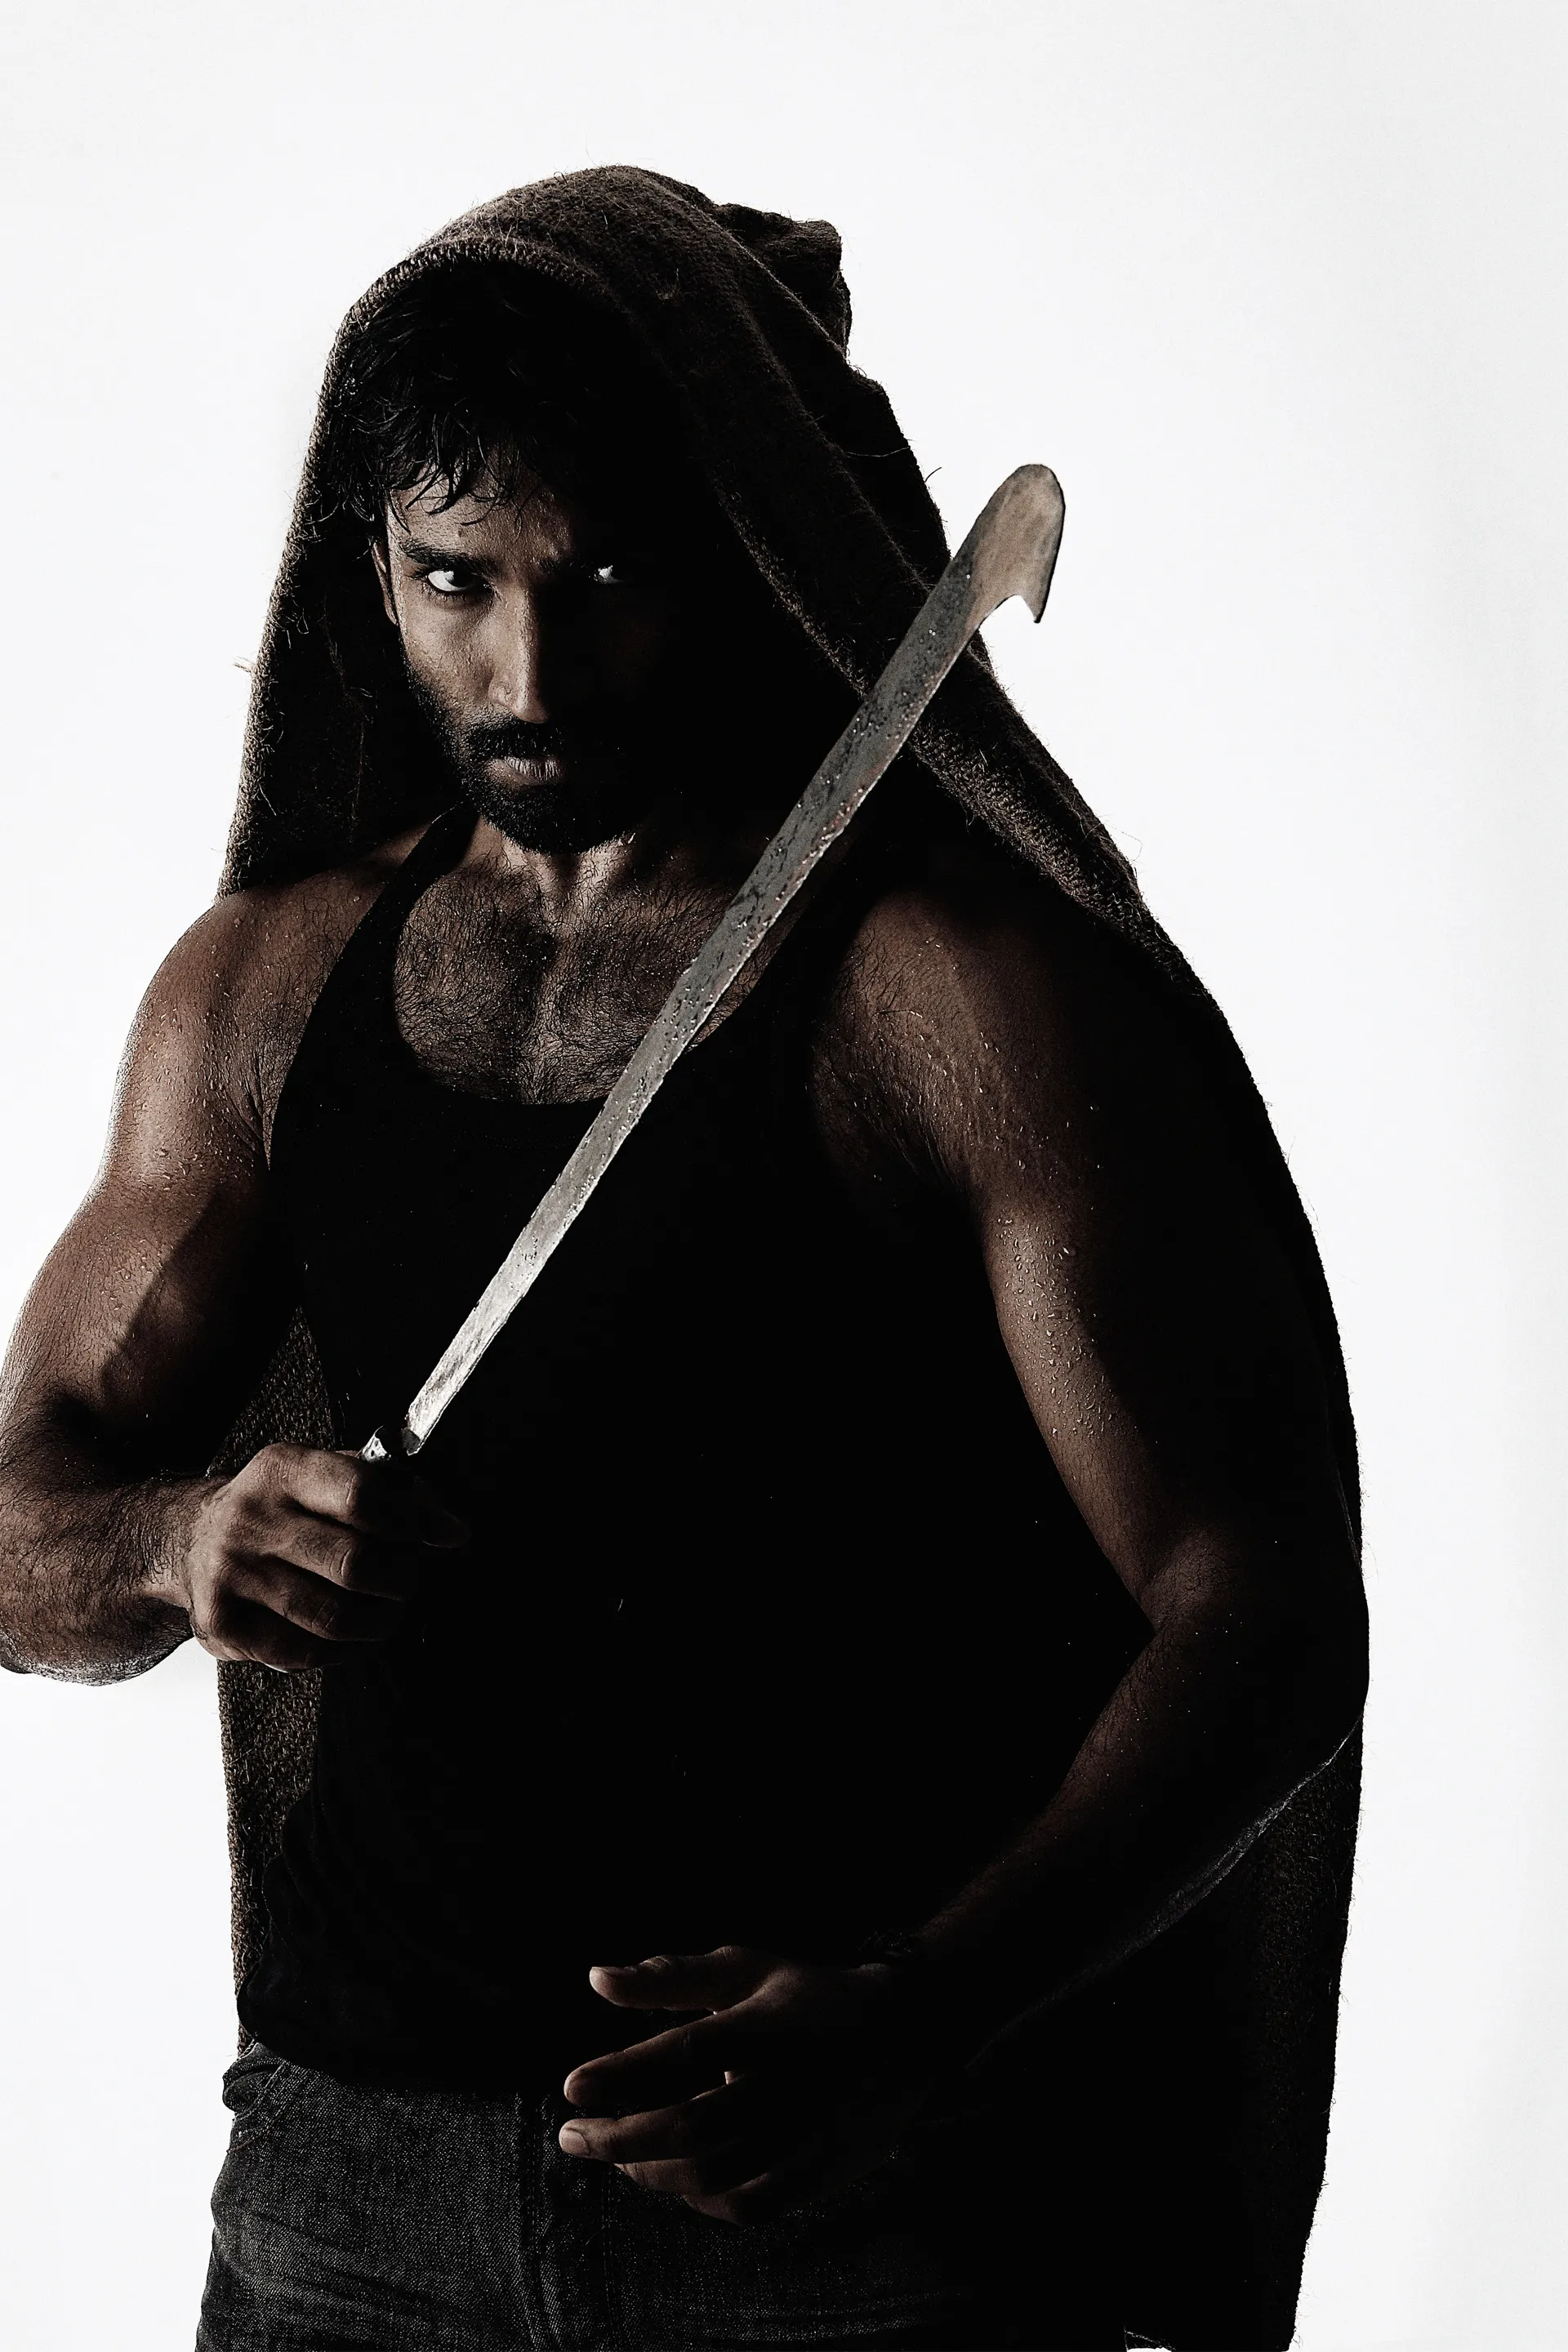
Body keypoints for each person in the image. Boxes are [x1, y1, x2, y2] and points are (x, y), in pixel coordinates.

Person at [0, 169, 1367, 2352]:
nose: (528, 672)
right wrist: (180, 1542)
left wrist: (926, 2008)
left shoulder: (957, 999)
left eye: (608, 576)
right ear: (370, 569)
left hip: (840, 2211)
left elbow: (1261, 1614)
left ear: (743, 544)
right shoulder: (260, 996)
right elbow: (16, 1533)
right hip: (347, 2198)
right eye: (457, 581)